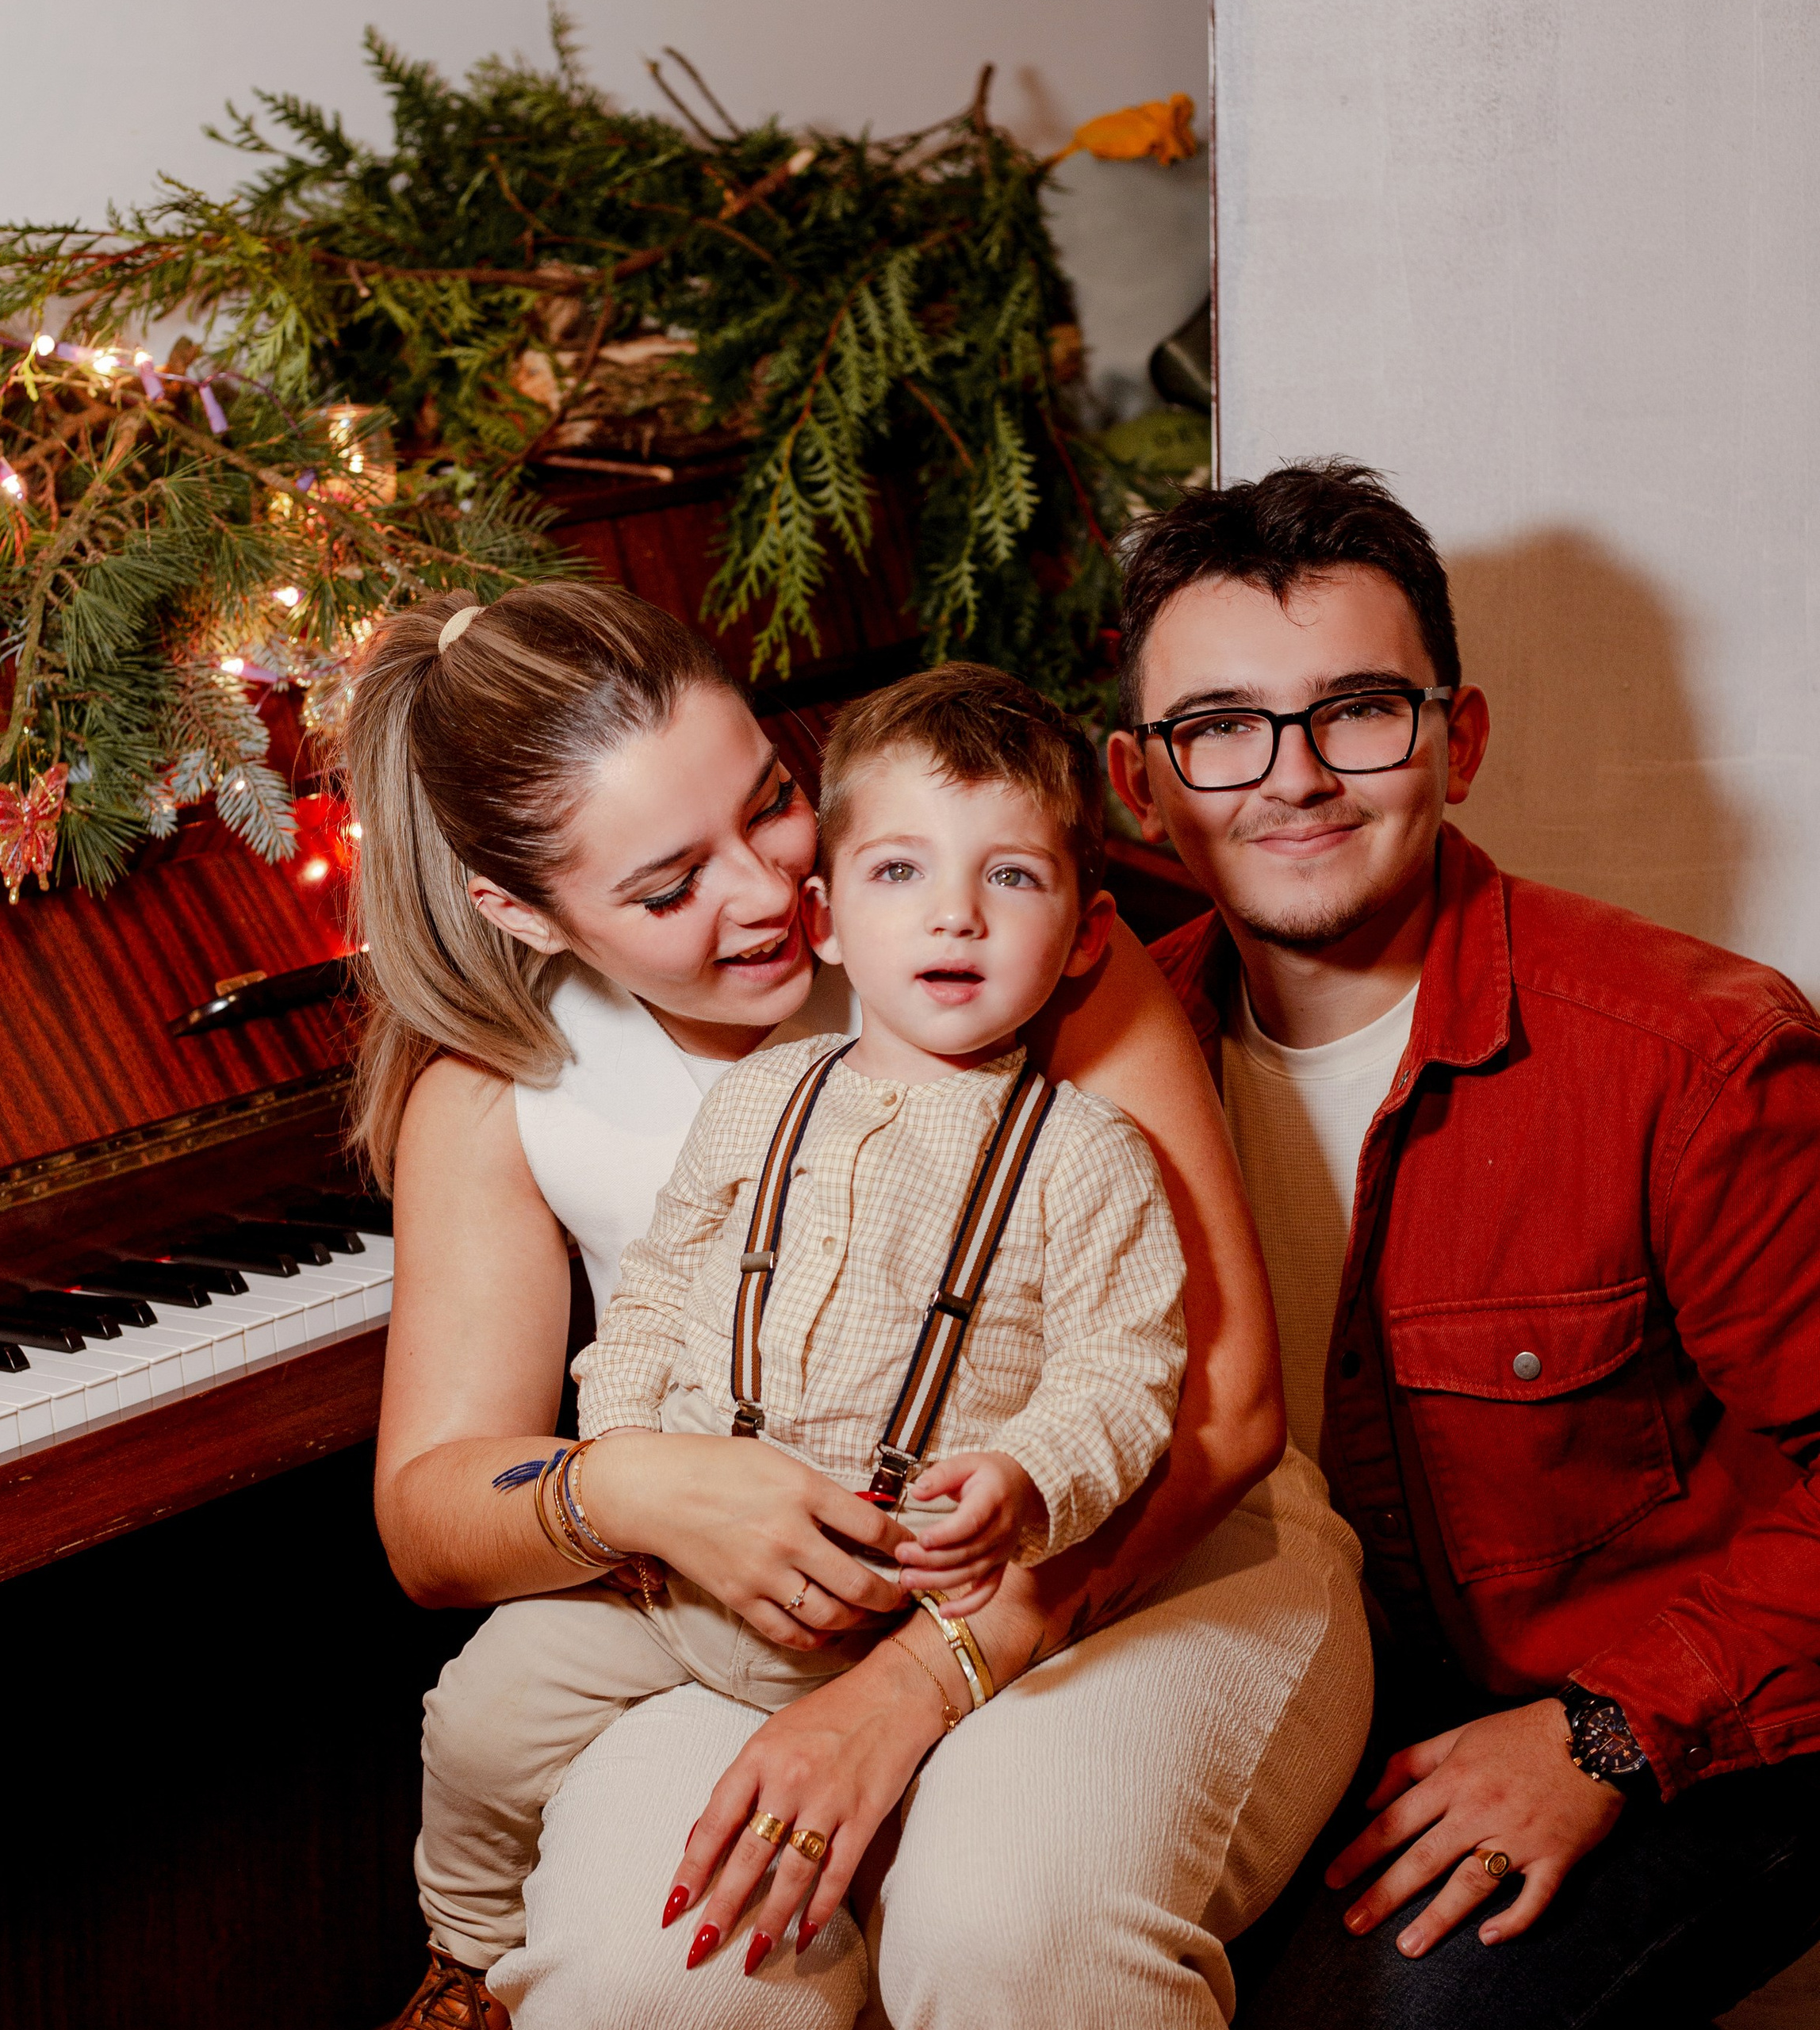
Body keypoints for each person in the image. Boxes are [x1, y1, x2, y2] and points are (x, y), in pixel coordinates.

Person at [347, 580, 1370, 2030]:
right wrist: (647, 1487)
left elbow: (1227, 1406)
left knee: (1011, 1933)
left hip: (1148, 1550)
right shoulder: (497, 1097)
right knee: (652, 1991)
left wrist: (915, 1682)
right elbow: (433, 1515)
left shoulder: (1008, 941)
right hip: (748, 1626)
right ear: (518, 910)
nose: (771, 891)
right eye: (668, 887)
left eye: (770, 803)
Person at [1105, 461, 1820, 2028]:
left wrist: (1604, 1736)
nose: (1294, 777)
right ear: (1139, 784)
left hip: (1669, 1714)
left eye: (1357, 710)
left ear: (1459, 739)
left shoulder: (1697, 1058)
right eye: (1218, 727)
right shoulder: (1083, 1067)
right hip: (1279, 1689)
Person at [412, 665, 1194, 1980]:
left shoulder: (1086, 1151)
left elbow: (1129, 1369)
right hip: (674, 1594)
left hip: (905, 1611)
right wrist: (628, 1463)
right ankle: (465, 1956)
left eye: (1011, 879)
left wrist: (1026, 1476)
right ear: (834, 917)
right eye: (899, 873)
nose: (954, 915)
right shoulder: (762, 1099)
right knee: (476, 1716)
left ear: (1085, 933)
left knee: (966, 1893)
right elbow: (658, 1293)